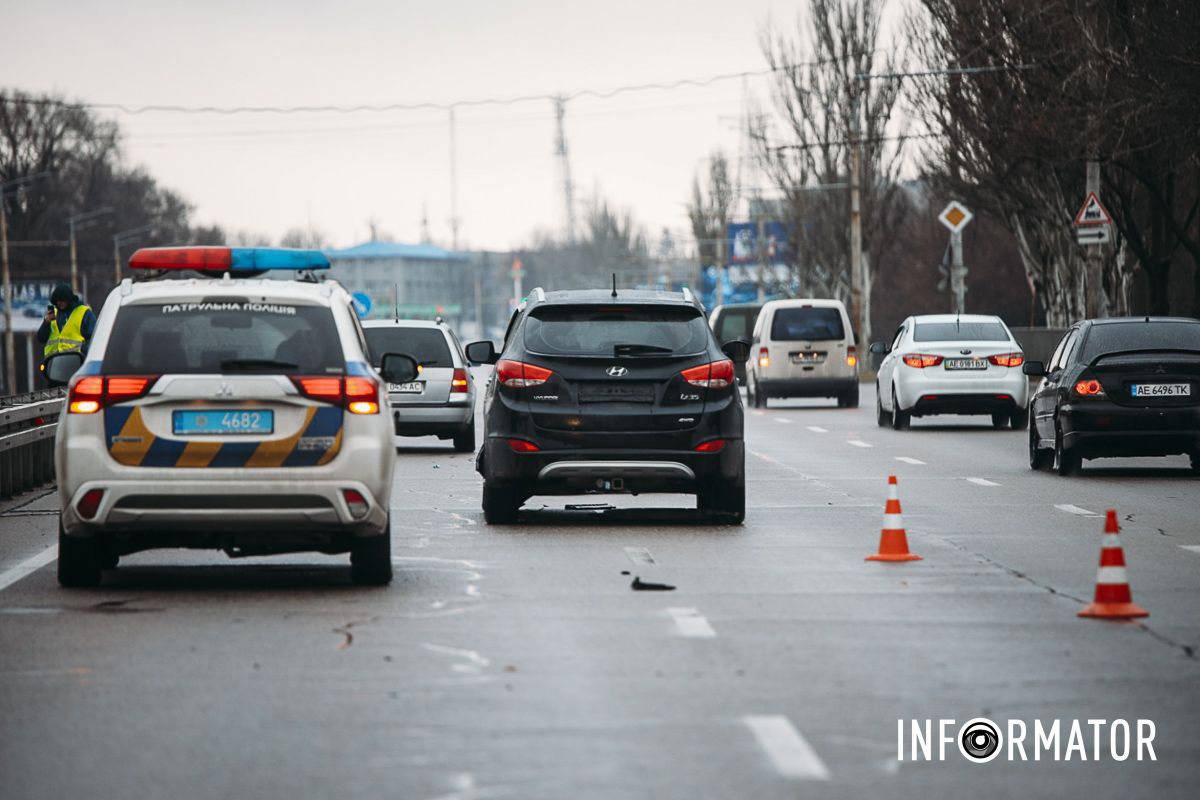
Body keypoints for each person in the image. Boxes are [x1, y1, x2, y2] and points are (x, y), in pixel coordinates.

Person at [38, 283, 96, 361]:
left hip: (76, 361)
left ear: (69, 299)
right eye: (57, 300)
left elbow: (94, 337)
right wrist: (46, 322)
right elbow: (41, 338)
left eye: (62, 300)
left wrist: (84, 352)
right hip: (54, 363)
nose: (60, 303)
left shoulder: (84, 312)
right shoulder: (52, 315)